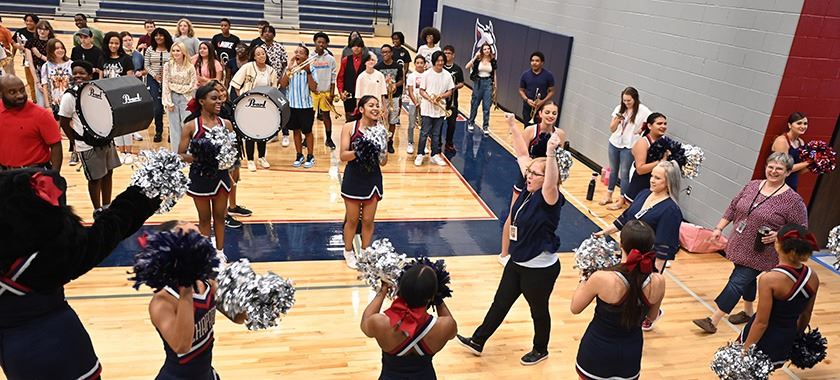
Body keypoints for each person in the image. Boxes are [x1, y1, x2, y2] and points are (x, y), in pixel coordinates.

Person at [0, 168, 160, 379]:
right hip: (62, 343)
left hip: (14, 353)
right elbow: (109, 229)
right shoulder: (52, 258)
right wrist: (145, 191)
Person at [457, 114, 565, 366]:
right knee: (501, 301)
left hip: (540, 267)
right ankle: (478, 340)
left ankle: (541, 349)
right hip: (519, 261)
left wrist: (550, 152)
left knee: (538, 311)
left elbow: (549, 178)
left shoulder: (550, 196)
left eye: (535, 174)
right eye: (529, 173)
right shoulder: (530, 187)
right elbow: (521, 154)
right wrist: (512, 126)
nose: (529, 176)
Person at [692, 152, 808, 334]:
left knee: (737, 281)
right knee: (746, 279)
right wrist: (718, 229)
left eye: (779, 169)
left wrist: (779, 235)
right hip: (739, 242)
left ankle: (713, 320)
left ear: (787, 173)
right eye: (771, 166)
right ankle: (747, 312)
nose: (774, 171)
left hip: (762, 250)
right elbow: (733, 206)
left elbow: (801, 229)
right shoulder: (753, 185)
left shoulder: (793, 201)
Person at [146, 222, 247, 379]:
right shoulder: (162, 302)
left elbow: (238, 318)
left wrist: (250, 296)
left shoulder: (208, 283)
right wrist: (186, 286)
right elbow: (182, 346)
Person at [572, 220, 666, 380]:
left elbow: (575, 308)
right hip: (631, 354)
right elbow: (651, 317)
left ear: (621, 244)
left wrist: (584, 276)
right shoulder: (658, 281)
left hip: (596, 351)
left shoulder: (602, 278)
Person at [595, 161, 682, 331]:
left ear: (669, 183)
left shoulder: (671, 210)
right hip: (628, 252)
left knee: (644, 289)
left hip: (646, 259)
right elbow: (626, 217)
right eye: (652, 176)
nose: (652, 180)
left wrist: (655, 274)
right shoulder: (643, 194)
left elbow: (663, 247)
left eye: (658, 178)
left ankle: (652, 313)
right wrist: (604, 232)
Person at [739, 223, 820, 369]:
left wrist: (745, 351)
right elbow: (806, 314)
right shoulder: (813, 277)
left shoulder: (769, 279)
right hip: (787, 337)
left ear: (778, 245)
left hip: (763, 338)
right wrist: (797, 337)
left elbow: (761, 322)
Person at [361, 265, 457, 379]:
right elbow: (452, 332)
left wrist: (383, 290)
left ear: (399, 289)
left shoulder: (380, 323)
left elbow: (365, 322)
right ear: (431, 295)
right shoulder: (445, 326)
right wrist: (438, 297)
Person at [499, 101, 562, 266]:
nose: (550, 116)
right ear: (540, 113)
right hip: (528, 174)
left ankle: (533, 248)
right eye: (547, 112)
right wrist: (512, 126)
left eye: (554, 113)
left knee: (539, 217)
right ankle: (504, 253)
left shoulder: (560, 135)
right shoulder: (531, 130)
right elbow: (521, 153)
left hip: (546, 180)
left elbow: (559, 162)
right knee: (514, 215)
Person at [59, 60, 122, 218]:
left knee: (108, 173)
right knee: (95, 178)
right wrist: (74, 140)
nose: (78, 76)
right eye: (75, 73)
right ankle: (97, 210)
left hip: (106, 140)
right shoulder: (70, 96)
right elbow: (64, 121)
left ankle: (107, 205)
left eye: (82, 73)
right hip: (86, 144)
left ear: (90, 75)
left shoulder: (98, 90)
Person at [178, 85, 235, 255]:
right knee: (204, 219)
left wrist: (234, 166)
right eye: (214, 98)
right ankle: (206, 255)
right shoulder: (191, 126)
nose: (219, 102)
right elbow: (180, 155)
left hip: (221, 177)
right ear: (202, 102)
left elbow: (232, 151)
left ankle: (220, 253)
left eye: (220, 98)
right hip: (199, 178)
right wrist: (202, 156)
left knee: (220, 216)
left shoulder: (226, 124)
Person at [339, 95, 389, 268]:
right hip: (354, 178)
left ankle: (367, 251)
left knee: (368, 220)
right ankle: (348, 251)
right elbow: (343, 156)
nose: (375, 108)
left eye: (377, 105)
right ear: (361, 109)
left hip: (373, 178)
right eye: (371, 105)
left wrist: (381, 149)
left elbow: (383, 162)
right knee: (352, 220)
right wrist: (360, 151)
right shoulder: (349, 127)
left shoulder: (381, 130)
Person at [208, 79, 252, 229]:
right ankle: (223, 214)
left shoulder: (228, 105)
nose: (222, 93)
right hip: (222, 151)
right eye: (217, 91)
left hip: (234, 146)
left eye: (223, 90)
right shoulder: (214, 109)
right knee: (225, 182)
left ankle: (232, 206)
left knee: (234, 179)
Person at [229, 44, 279, 171]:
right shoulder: (247, 67)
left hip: (264, 107)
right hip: (248, 106)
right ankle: (250, 159)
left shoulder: (271, 70)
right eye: (258, 54)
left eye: (263, 53)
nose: (261, 56)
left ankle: (262, 157)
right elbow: (236, 83)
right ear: (254, 57)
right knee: (249, 132)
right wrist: (242, 97)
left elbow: (274, 89)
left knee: (262, 131)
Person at [0, 75, 62, 172]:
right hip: (5, 174)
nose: (20, 95)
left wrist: (55, 175)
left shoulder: (42, 115)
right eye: (12, 92)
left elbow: (56, 146)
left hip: (36, 173)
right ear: (1, 94)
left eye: (22, 90)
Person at [602, 87, 651, 209]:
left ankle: (621, 199)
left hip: (629, 146)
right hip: (614, 142)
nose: (626, 103)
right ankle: (609, 194)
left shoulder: (643, 111)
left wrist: (642, 129)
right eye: (624, 100)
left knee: (624, 173)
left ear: (635, 99)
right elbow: (612, 129)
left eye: (629, 100)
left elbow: (651, 121)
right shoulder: (619, 108)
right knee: (613, 170)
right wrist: (617, 119)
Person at [280, 45, 318, 168]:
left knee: (307, 132)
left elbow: (314, 88)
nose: (297, 54)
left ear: (306, 56)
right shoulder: (290, 68)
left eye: (301, 52)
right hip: (292, 105)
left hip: (306, 106)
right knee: (295, 131)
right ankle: (299, 155)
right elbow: (283, 84)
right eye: (296, 52)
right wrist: (289, 69)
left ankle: (310, 156)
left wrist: (308, 72)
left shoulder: (311, 68)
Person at [415, 51, 454, 167]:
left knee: (436, 134)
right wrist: (430, 98)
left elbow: (450, 91)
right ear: (433, 62)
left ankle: (435, 155)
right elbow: (421, 91)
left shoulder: (447, 75)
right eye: (438, 61)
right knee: (424, 133)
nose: (440, 63)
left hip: (440, 109)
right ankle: (420, 154)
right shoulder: (426, 74)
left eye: (442, 61)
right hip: (427, 108)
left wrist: (440, 96)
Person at [621, 112, 669, 205]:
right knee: (635, 217)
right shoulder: (643, 142)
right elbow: (640, 169)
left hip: (655, 187)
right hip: (641, 185)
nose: (663, 126)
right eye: (659, 123)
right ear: (649, 126)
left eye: (665, 124)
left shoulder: (665, 141)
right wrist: (660, 162)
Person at [258, 25, 290, 146]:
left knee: (283, 107)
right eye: (264, 32)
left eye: (269, 32)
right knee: (271, 108)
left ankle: (286, 134)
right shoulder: (260, 48)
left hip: (280, 82)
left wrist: (282, 79)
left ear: (273, 34)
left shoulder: (279, 47)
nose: (267, 34)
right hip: (267, 82)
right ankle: (274, 134)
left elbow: (285, 64)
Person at [163, 42, 197, 152]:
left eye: (178, 50)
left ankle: (187, 152)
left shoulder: (190, 66)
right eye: (173, 50)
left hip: (186, 98)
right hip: (172, 98)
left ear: (183, 52)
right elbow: (165, 84)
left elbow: (192, 85)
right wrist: (168, 102)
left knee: (186, 126)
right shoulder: (167, 65)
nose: (175, 53)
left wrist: (175, 86)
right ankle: (175, 154)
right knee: (174, 128)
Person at [143, 27, 173, 143]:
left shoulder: (171, 49)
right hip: (153, 80)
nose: (158, 37)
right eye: (156, 35)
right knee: (157, 108)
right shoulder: (150, 49)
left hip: (169, 80)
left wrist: (166, 75)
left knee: (170, 106)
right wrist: (154, 75)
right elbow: (146, 65)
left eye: (161, 35)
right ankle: (158, 131)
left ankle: (172, 132)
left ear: (165, 36)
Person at [310, 32, 338, 150]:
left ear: (327, 44)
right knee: (310, 116)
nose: (320, 44)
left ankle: (329, 138)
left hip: (325, 92)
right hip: (313, 92)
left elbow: (333, 77)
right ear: (315, 43)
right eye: (318, 42)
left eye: (323, 42)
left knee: (326, 116)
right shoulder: (310, 58)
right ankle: (307, 138)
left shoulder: (330, 59)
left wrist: (332, 93)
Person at [375, 44, 404, 154]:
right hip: (382, 98)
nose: (385, 54)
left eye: (387, 52)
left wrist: (395, 85)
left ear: (391, 53)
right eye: (383, 52)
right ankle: (381, 142)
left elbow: (402, 80)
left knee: (393, 120)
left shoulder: (398, 66)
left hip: (394, 98)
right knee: (382, 120)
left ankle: (390, 141)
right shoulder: (378, 67)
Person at [771, 112, 811, 191]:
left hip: (792, 186)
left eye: (805, 123)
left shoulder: (801, 142)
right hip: (778, 185)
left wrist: (816, 165)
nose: (803, 126)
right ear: (789, 125)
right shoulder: (782, 141)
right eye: (799, 123)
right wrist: (808, 162)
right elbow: (783, 169)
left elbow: (798, 171)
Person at [465, 42, 497, 135]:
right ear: (482, 50)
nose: (487, 50)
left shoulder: (493, 61)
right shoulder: (478, 60)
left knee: (487, 106)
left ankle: (485, 126)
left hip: (488, 83)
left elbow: (494, 74)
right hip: (478, 82)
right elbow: (467, 66)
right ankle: (471, 122)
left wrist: (495, 87)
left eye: (488, 49)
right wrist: (475, 57)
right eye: (485, 49)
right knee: (475, 104)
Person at [120, 30, 146, 143]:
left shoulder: (138, 55)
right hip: (121, 86)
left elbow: (146, 69)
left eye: (129, 40)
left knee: (134, 110)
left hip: (135, 86)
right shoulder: (119, 55)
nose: (128, 42)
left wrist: (142, 73)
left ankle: (134, 131)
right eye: (125, 40)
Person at [518, 51, 555, 125]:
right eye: (532, 61)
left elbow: (552, 91)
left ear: (542, 63)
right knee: (528, 127)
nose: (534, 63)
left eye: (537, 61)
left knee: (540, 128)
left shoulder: (548, 75)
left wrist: (542, 101)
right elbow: (521, 90)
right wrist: (527, 99)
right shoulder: (525, 75)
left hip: (542, 107)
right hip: (528, 106)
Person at [39, 38, 73, 120]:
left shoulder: (71, 64)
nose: (60, 50)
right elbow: (45, 86)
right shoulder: (46, 66)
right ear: (51, 50)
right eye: (57, 48)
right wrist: (47, 106)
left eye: (62, 48)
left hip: (69, 102)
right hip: (55, 104)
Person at [24, 20, 54, 107]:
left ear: (49, 31)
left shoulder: (53, 42)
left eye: (45, 29)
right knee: (41, 103)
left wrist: (40, 55)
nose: (42, 31)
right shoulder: (30, 43)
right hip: (38, 72)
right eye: (40, 29)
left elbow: (54, 61)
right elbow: (31, 63)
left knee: (53, 102)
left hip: (52, 72)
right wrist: (37, 82)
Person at [337, 38, 366, 121]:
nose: (356, 48)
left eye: (358, 46)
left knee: (362, 117)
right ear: (351, 48)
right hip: (348, 92)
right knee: (349, 117)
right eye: (354, 46)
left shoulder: (367, 60)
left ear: (362, 48)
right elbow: (340, 77)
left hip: (362, 93)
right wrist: (341, 92)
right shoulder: (345, 60)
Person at [442, 45, 464, 152]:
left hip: (452, 102)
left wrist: (454, 87)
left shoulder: (457, 69)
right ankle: (437, 143)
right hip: (440, 101)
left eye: (449, 53)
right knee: (439, 124)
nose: (446, 55)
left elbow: (461, 83)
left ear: (453, 55)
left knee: (452, 125)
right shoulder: (439, 67)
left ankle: (449, 143)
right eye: (445, 52)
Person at [12, 14, 39, 98]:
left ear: (36, 22)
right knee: (31, 82)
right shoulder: (20, 32)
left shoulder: (40, 32)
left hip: (40, 60)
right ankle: (34, 100)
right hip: (27, 61)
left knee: (39, 82)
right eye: (26, 21)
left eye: (31, 21)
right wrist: (16, 47)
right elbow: (12, 42)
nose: (28, 23)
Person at [404, 55, 426, 155]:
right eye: (418, 63)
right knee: (412, 124)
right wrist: (416, 103)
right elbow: (410, 91)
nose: (420, 65)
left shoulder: (427, 75)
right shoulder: (411, 76)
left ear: (425, 64)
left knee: (424, 125)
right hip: (414, 103)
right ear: (415, 64)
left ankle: (424, 145)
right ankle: (410, 143)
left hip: (425, 103)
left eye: (422, 63)